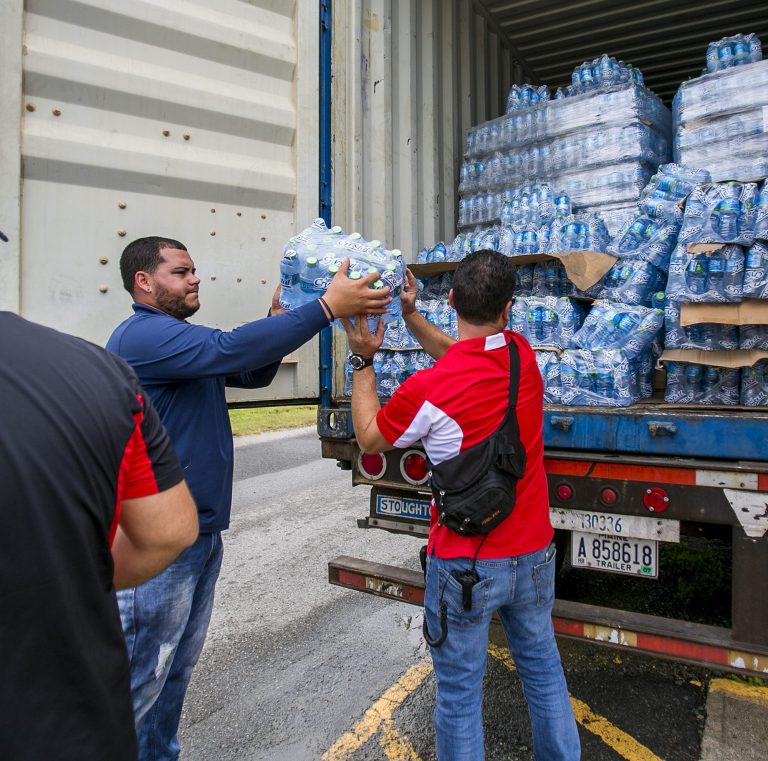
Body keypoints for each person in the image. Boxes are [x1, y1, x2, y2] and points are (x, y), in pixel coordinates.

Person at [107, 235, 391, 760]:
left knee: (174, 673)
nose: (195, 279)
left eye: (194, 271)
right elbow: (229, 350)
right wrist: (325, 306)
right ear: (143, 282)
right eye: (180, 272)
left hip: (198, 534)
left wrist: (279, 313)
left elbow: (249, 369)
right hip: (159, 544)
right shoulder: (142, 337)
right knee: (140, 675)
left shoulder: (178, 338)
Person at [342, 249, 580, 761]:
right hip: (535, 553)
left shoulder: (427, 389)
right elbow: (465, 351)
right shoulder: (522, 355)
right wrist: (411, 316)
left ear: (450, 299)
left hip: (466, 564)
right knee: (543, 672)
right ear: (509, 309)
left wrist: (362, 359)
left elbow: (367, 436)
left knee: (459, 693)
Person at [0, 311, 198, 761]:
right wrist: (70, 570)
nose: (196, 280)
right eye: (182, 271)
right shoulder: (95, 369)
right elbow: (168, 532)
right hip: (73, 726)